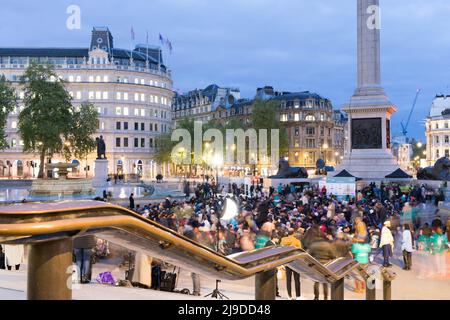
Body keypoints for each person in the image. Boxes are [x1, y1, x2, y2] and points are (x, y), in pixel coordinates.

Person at [281, 229, 302, 300]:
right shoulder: (297, 241)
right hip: (295, 262)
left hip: (287, 262)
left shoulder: (283, 240)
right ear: (293, 233)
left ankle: (289, 296)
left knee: (288, 280)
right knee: (297, 280)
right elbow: (300, 251)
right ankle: (298, 296)